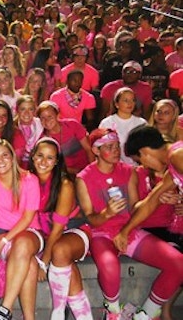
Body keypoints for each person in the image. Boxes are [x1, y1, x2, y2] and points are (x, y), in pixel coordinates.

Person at [76, 128, 183, 319]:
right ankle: (123, 313)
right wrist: (113, 219)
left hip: (131, 231)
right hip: (105, 233)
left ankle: (146, 313)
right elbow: (148, 204)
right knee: (110, 266)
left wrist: (126, 229)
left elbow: (140, 206)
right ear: (96, 150)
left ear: (144, 152)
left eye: (117, 146)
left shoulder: (175, 155)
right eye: (110, 147)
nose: (141, 164)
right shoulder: (84, 177)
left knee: (178, 263)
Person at [29, 137, 93, 320]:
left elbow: (58, 230)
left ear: (57, 161)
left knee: (60, 250)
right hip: (47, 234)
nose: (43, 161)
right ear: (32, 156)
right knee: (64, 262)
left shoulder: (64, 184)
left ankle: (57, 313)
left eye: (50, 158)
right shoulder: (27, 179)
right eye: (40, 155)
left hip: (74, 230)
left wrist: (44, 262)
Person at [0, 138, 41, 320]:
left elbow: (28, 218)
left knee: (23, 243)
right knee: (30, 264)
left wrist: (5, 240)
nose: (0, 160)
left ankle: (4, 309)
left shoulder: (29, 179)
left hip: (30, 231)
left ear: (12, 158)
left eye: (4, 155)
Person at [37, 101, 94, 175]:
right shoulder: (44, 140)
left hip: (87, 167)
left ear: (57, 115)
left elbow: (88, 149)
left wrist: (92, 170)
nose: (46, 120)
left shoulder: (72, 125)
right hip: (65, 173)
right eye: (42, 118)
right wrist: (75, 172)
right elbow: (54, 165)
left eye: (50, 116)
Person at [99, 87, 147, 165]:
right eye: (125, 100)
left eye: (133, 100)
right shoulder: (107, 122)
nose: (130, 103)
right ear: (116, 104)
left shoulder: (141, 123)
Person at [14, 95, 44, 168]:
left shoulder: (41, 124)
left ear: (34, 111)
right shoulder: (11, 128)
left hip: (39, 164)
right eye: (23, 109)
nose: (26, 113)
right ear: (17, 110)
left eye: (30, 109)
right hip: (17, 165)